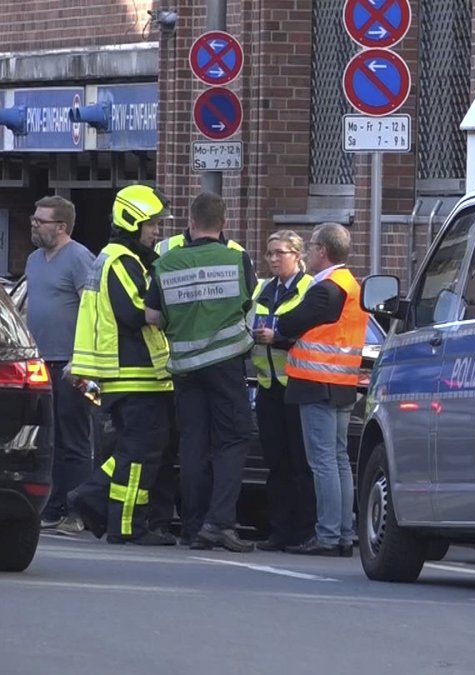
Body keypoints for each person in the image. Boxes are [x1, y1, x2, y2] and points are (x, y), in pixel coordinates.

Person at [144, 192, 257, 553]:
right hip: (225, 364)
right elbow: (248, 303)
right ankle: (219, 523)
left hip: (185, 367)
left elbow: (152, 316)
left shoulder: (167, 262)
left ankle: (193, 528)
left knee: (193, 444)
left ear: (190, 224)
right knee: (233, 440)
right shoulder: (236, 258)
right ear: (223, 224)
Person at [66, 184, 177, 547]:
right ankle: (127, 525)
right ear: (132, 222)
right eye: (151, 225)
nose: (156, 232)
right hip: (135, 375)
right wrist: (171, 307)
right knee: (137, 455)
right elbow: (135, 312)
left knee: (130, 453)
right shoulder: (121, 261)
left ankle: (93, 495)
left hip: (128, 376)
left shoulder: (115, 258)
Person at [264, 222, 367, 557]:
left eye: (310, 247)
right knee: (337, 460)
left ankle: (327, 534)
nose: (308, 252)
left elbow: (294, 321)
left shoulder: (325, 288)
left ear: (322, 251)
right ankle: (343, 534)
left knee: (322, 461)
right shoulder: (350, 284)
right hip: (341, 384)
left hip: (317, 384)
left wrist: (274, 330)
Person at [25, 195, 97, 535]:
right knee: (49, 437)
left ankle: (77, 509)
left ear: (62, 227)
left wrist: (83, 359)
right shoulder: (33, 261)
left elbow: (92, 308)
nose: (34, 225)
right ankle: (52, 506)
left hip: (75, 366)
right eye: (34, 219)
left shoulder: (80, 258)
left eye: (42, 221)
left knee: (76, 438)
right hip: (42, 363)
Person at [250, 230, 316, 552]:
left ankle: (303, 531)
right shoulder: (263, 289)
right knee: (276, 463)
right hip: (268, 385)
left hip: (297, 384)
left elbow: (313, 335)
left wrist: (278, 338)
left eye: (281, 253)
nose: (274, 258)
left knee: (301, 463)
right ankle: (278, 532)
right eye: (270, 253)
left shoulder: (309, 289)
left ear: (298, 256)